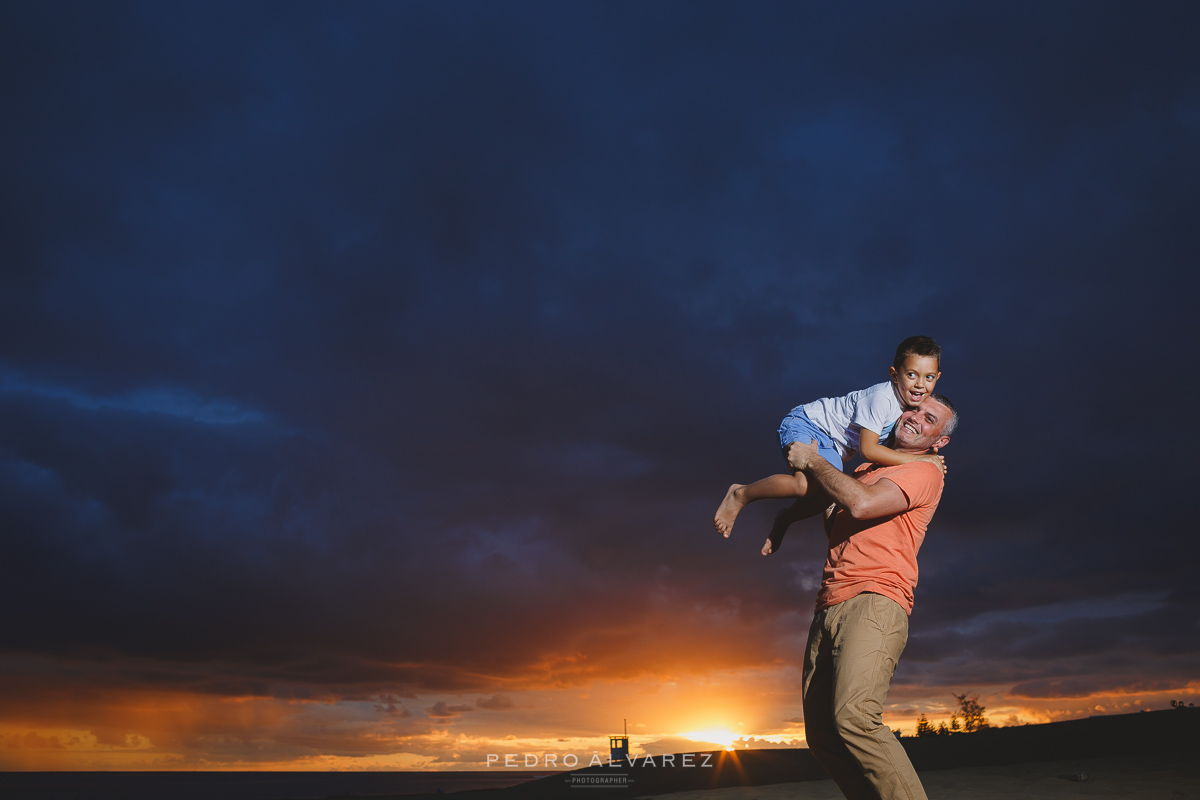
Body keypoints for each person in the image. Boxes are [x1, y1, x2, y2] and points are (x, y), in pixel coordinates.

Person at [786, 393, 957, 800]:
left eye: (929, 418)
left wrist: (813, 460)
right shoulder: (866, 467)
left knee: (856, 718)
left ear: (939, 441)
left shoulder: (924, 470)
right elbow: (839, 522)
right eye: (914, 408)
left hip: (876, 599)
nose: (915, 418)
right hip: (830, 602)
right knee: (824, 735)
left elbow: (861, 505)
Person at [714, 336, 945, 551]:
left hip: (832, 445)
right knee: (803, 486)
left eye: (929, 377)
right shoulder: (882, 400)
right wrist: (920, 459)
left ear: (938, 377)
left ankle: (786, 518)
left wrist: (930, 453)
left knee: (829, 493)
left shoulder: (909, 406)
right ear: (895, 375)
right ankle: (741, 494)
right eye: (912, 375)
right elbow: (869, 450)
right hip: (809, 423)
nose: (920, 385)